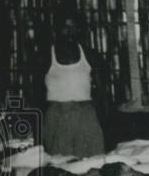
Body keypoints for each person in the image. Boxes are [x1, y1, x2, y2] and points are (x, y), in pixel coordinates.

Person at [41, 13, 107, 158]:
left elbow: (102, 91)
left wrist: (101, 118)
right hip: (58, 115)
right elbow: (36, 93)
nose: (70, 31)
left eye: (74, 27)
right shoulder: (46, 55)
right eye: (65, 27)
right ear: (56, 30)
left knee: (92, 160)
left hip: (86, 115)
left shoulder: (90, 55)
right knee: (61, 163)